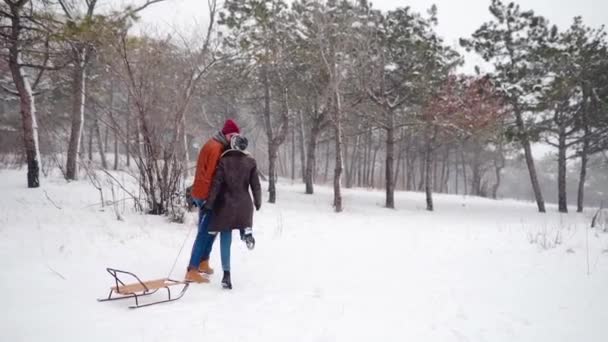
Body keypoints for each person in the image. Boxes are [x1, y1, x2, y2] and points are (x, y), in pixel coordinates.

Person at [185, 119, 241, 283]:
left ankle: (203, 262)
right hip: (206, 195)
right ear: (227, 134)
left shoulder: (215, 144)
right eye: (233, 136)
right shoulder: (216, 148)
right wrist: (210, 199)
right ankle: (192, 269)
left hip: (203, 193)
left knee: (212, 229)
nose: (234, 139)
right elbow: (211, 175)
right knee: (204, 233)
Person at [203, 135, 262, 289]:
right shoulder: (250, 162)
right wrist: (258, 201)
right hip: (244, 204)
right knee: (243, 220)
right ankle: (246, 232)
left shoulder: (224, 161)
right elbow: (256, 185)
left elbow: (216, 184)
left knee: (225, 239)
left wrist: (209, 204)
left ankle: (226, 275)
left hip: (225, 205)